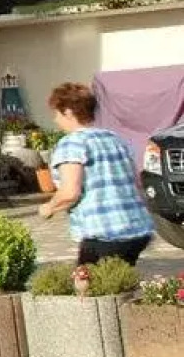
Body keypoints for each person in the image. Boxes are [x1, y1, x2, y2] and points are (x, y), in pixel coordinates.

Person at [39, 82, 154, 265]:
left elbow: (70, 193)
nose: (55, 119)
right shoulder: (115, 139)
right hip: (137, 228)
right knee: (118, 284)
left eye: (56, 113)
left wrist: (49, 208)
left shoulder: (72, 143)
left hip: (103, 232)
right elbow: (136, 181)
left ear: (68, 112)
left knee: (88, 286)